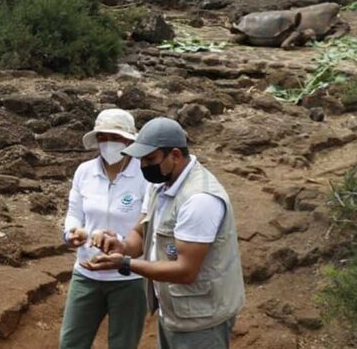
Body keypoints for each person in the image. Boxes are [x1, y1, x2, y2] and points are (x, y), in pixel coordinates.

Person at [88, 117, 245, 349]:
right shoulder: (160, 184)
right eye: (141, 159)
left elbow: (185, 271)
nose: (143, 166)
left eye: (150, 159)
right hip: (174, 310)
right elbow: (141, 233)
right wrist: (121, 244)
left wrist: (125, 263)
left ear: (175, 155)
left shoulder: (199, 199)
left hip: (202, 320)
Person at [59, 109, 148, 349]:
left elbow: (145, 225)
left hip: (129, 276)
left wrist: (120, 242)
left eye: (115, 137)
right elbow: (75, 212)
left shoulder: (144, 175)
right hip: (87, 272)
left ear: (129, 140)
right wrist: (71, 233)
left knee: (123, 344)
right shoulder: (84, 172)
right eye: (102, 137)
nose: (108, 143)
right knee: (71, 343)